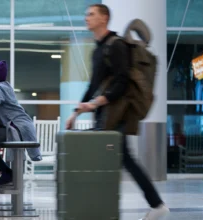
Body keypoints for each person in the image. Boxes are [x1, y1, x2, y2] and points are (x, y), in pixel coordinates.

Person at [65, 4, 169, 220]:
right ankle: (150, 205)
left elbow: (122, 82)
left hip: (118, 113)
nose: (87, 18)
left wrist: (96, 103)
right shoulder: (98, 50)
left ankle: (156, 205)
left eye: (91, 14)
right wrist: (76, 112)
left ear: (104, 18)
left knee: (121, 159)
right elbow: (93, 86)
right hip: (106, 114)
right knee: (119, 159)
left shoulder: (117, 45)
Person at [0, 60, 42, 198]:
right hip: (15, 125)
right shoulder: (3, 86)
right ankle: (5, 174)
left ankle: (7, 174)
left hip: (16, 126)